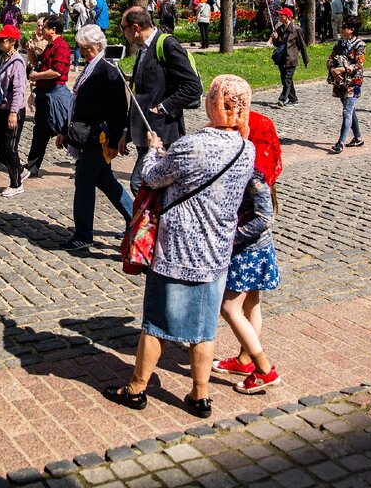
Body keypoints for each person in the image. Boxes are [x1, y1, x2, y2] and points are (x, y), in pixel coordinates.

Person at [105, 75, 257, 418]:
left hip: (177, 249)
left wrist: (155, 149)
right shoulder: (246, 148)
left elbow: (153, 176)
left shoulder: (193, 145)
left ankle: (136, 388)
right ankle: (200, 396)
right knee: (204, 328)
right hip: (216, 253)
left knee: (156, 322)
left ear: (213, 103)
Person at [212, 109, 284, 394]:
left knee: (229, 307)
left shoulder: (254, 175)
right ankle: (244, 360)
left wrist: (233, 238)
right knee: (250, 303)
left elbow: (265, 218)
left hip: (248, 250)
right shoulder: (250, 168)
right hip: (253, 249)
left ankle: (264, 368)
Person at [58, 25, 132, 250]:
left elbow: (119, 109)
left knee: (84, 182)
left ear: (98, 46)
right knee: (105, 181)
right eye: (80, 48)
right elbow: (77, 103)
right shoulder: (92, 66)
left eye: (86, 49)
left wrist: (115, 141)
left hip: (98, 137)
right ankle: (137, 218)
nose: (83, 52)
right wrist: (65, 131)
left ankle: (83, 234)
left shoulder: (108, 70)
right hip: (85, 134)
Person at [118, 7, 202, 195]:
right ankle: (155, 222)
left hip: (163, 131)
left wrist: (162, 108)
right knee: (154, 185)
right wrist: (127, 130)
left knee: (140, 182)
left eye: (123, 28)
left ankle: (154, 222)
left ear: (135, 27)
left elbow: (193, 87)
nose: (122, 33)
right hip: (145, 132)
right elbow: (138, 92)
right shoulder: (143, 49)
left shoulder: (166, 44)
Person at [23, 16, 72, 181]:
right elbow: (38, 63)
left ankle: (82, 162)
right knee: (40, 132)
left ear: (53, 29)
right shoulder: (49, 46)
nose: (40, 30)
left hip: (56, 94)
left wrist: (37, 76)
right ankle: (32, 166)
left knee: (64, 129)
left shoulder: (62, 47)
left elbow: (57, 71)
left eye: (44, 27)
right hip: (44, 94)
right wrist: (30, 52)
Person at [0, 24, 27, 196]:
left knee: (10, 147)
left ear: (13, 41)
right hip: (0, 108)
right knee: (0, 147)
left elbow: (18, 90)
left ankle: (16, 184)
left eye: (3, 39)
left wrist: (14, 113)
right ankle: (21, 170)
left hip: (12, 110)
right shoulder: (3, 58)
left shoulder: (17, 62)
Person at [327, 18, 365, 153]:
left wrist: (342, 69)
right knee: (350, 110)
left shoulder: (360, 45)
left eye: (344, 27)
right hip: (340, 81)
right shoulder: (340, 43)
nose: (342, 30)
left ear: (351, 30)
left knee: (347, 112)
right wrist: (333, 70)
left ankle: (341, 142)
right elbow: (330, 59)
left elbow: (359, 64)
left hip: (353, 82)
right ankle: (358, 137)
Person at [270, 8, 308, 107]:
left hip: (291, 59)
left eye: (281, 15)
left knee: (287, 79)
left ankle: (282, 99)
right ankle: (293, 99)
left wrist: (305, 60)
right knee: (285, 80)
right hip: (281, 59)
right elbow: (277, 44)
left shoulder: (296, 29)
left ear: (287, 17)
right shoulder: (280, 29)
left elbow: (302, 46)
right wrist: (275, 38)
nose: (279, 17)